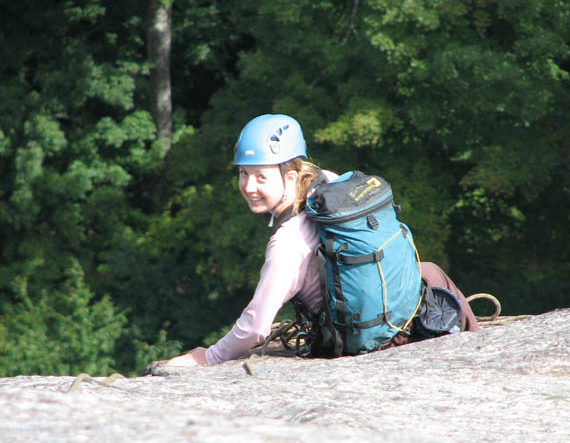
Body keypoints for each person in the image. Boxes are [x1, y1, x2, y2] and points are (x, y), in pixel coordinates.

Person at [161, 114, 479, 369]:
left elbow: (257, 326)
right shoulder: (325, 181)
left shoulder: (287, 244)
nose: (248, 186)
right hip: (410, 303)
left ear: (290, 177)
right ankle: (474, 341)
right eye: (244, 174)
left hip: (362, 340)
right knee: (430, 269)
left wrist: (209, 356)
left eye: (261, 176)